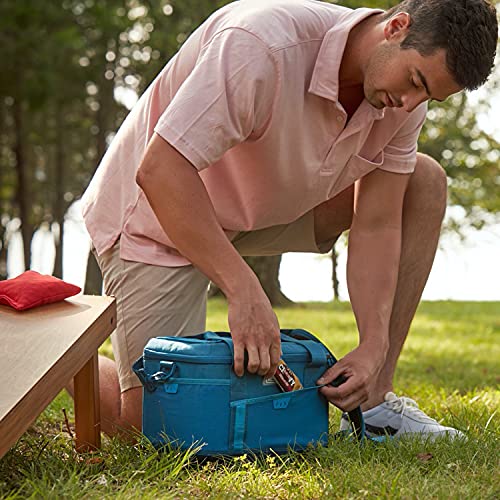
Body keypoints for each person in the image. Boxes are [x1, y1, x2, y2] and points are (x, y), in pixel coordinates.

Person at [78, 0, 498, 439]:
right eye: (414, 81)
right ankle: (66, 358)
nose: (410, 104)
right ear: (396, 27)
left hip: (264, 206)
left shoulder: (403, 105)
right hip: (159, 213)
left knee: (421, 181)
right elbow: (159, 170)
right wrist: (242, 288)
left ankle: (375, 404)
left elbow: (378, 223)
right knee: (156, 431)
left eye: (428, 95)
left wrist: (374, 344)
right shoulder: (259, 43)